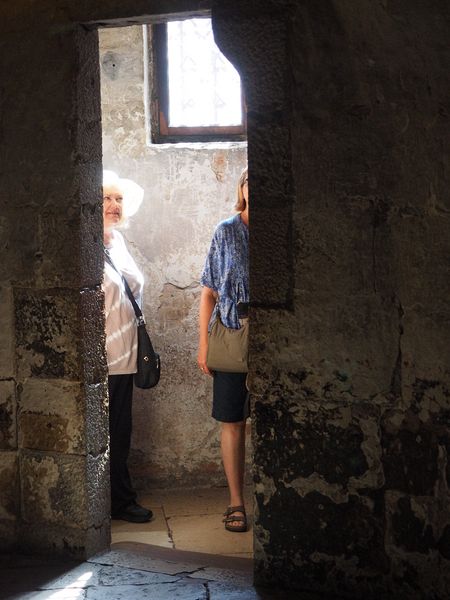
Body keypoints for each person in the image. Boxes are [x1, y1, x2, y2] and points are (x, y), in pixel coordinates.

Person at [198, 167, 249, 533]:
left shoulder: (283, 228)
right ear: (242, 189)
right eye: (250, 181)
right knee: (232, 420)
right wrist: (204, 343)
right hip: (231, 333)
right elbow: (208, 292)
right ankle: (236, 501)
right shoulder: (226, 231)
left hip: (275, 339)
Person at [102, 169, 153, 523]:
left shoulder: (115, 242)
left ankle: (118, 499)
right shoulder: (84, 246)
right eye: (106, 197)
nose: (113, 205)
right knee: (109, 433)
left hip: (125, 356)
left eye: (118, 199)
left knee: (120, 431)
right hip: (102, 359)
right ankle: (117, 502)